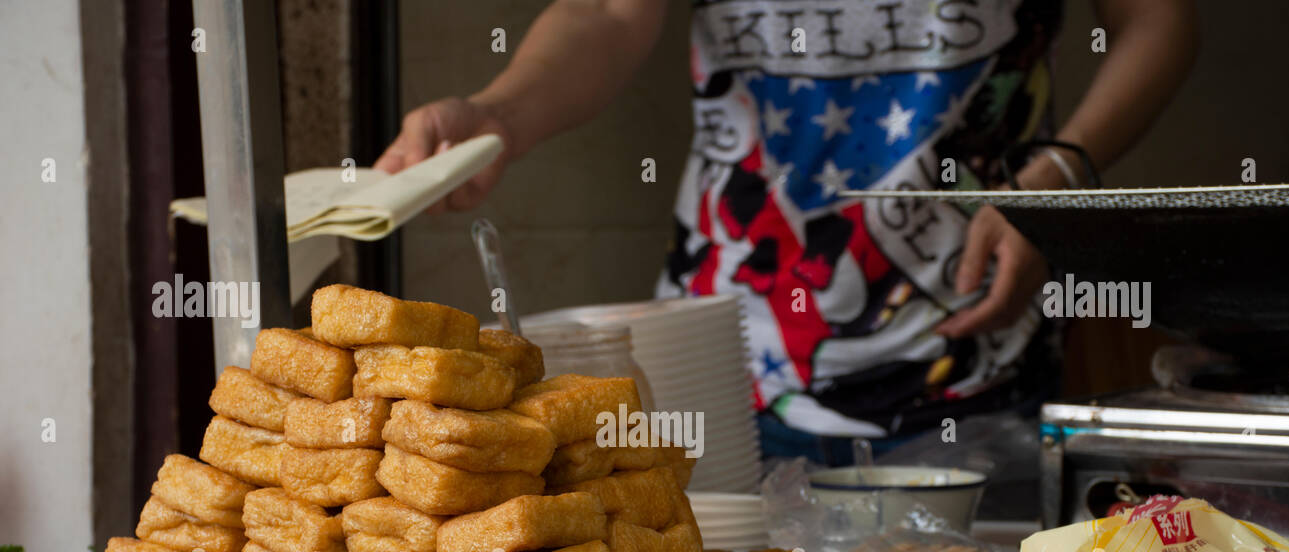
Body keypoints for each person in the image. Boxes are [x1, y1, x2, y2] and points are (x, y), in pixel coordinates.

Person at [377, 0, 1197, 464]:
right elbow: (608, 11)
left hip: (971, 353)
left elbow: (1156, 19)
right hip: (720, 353)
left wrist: (1056, 177)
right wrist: (498, 117)